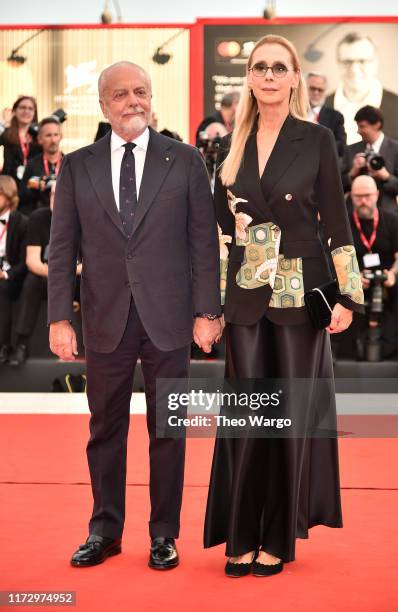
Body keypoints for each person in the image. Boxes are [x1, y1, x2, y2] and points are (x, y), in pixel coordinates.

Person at [47, 61, 221, 570]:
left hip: (168, 318)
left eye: (140, 92)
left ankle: (164, 533)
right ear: (103, 105)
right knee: (105, 429)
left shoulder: (185, 161)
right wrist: (61, 317)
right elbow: (62, 249)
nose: (133, 102)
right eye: (120, 94)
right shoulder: (77, 165)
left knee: (169, 427)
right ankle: (104, 530)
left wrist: (208, 311)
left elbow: (202, 246)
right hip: (104, 319)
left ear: (151, 97)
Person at [203, 34, 364, 577]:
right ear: (248, 77)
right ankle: (241, 532)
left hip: (301, 292)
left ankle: (277, 537)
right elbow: (218, 233)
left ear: (295, 77)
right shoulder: (230, 145)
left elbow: (338, 223)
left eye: (279, 67)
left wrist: (348, 296)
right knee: (248, 417)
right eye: (259, 67)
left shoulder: (317, 139)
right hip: (247, 295)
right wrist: (211, 305)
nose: (269, 75)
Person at [10, 184, 81, 367]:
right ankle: (22, 344)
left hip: (80, 278)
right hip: (50, 279)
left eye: (61, 194)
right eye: (53, 194)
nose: (55, 198)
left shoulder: (86, 216)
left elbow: (95, 262)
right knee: (32, 282)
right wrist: (60, 278)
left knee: (99, 280)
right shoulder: (39, 217)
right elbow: (32, 261)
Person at [348, 175, 398, 366]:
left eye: (367, 195)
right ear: (351, 197)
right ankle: (339, 350)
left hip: (388, 274)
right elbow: (334, 256)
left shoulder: (392, 220)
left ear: (377, 195)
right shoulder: (344, 223)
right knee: (338, 285)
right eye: (358, 196)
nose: (363, 201)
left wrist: (393, 273)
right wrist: (353, 275)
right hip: (355, 274)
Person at [325, 32, 398, 145]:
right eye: (347, 62)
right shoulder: (319, 109)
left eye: (362, 61)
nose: (354, 69)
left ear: (376, 63)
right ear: (338, 64)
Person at [341, 106, 398, 216]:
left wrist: (386, 176)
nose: (358, 131)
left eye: (362, 126)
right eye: (358, 126)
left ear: (377, 125)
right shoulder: (351, 150)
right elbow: (337, 186)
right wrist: (352, 173)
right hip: (354, 215)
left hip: (387, 216)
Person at [0, 176, 27, 364]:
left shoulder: (22, 222)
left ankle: (3, 346)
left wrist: (6, 274)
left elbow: (25, 261)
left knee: (2, 289)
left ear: (8, 195)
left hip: (13, 276)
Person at [18, 117, 64, 216]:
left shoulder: (70, 164)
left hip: (64, 218)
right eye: (48, 135)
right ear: (39, 139)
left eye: (56, 135)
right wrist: (35, 185)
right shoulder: (32, 164)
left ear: (61, 137)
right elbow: (21, 196)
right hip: (38, 218)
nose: (53, 140)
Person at [0, 96, 42, 184]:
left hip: (33, 184)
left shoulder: (39, 135)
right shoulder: (7, 132)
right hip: (10, 185)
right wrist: (4, 123)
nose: (26, 111)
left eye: (30, 108)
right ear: (14, 111)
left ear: (34, 113)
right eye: (22, 107)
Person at [306, 71, 346, 156]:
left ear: (325, 92)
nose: (316, 93)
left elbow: (341, 146)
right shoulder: (293, 113)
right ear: (305, 88)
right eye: (312, 88)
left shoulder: (335, 117)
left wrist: (321, 143)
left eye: (320, 90)